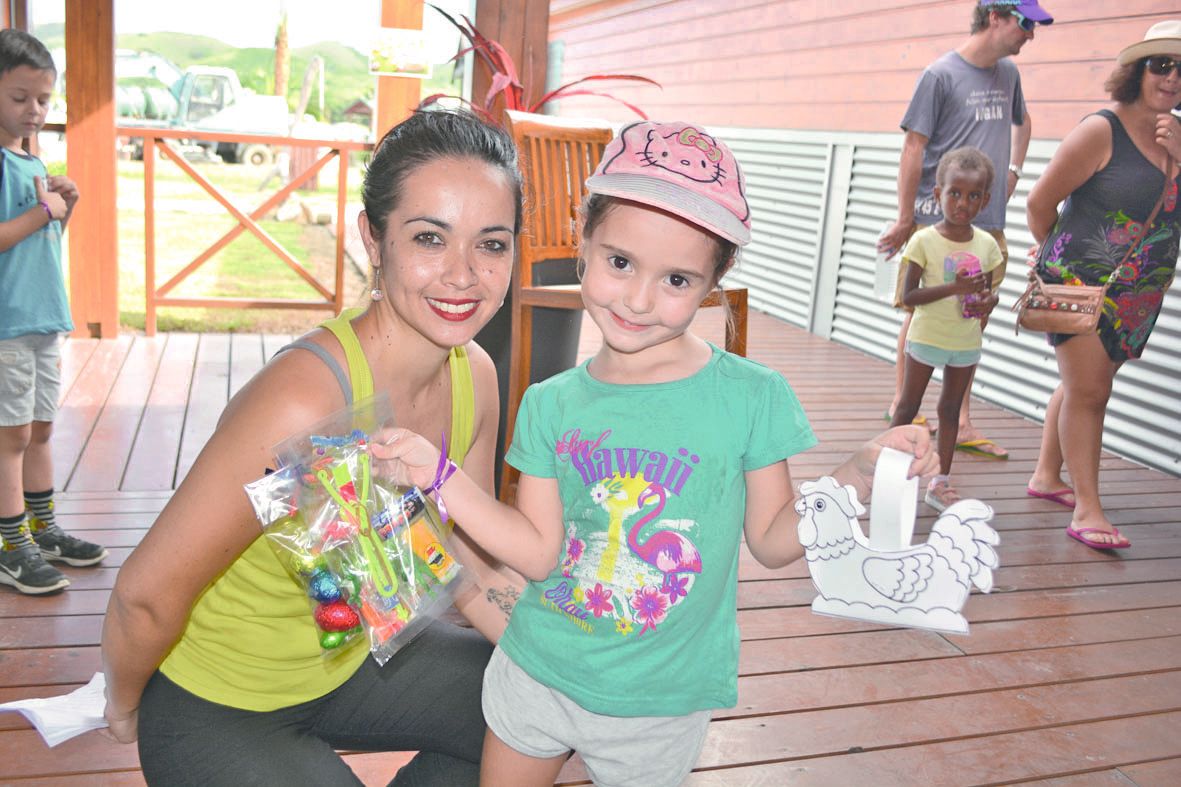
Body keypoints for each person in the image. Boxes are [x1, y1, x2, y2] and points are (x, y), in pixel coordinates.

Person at [380, 120, 939, 787]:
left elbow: (771, 538)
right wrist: (437, 476)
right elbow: (535, 552)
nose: (639, 299)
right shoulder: (551, 402)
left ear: (711, 281)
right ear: (583, 246)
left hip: (662, 701)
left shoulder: (749, 396)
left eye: (675, 279)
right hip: (538, 669)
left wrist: (854, 476)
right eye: (619, 262)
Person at [101, 109, 527, 785]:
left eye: (492, 244)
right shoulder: (306, 397)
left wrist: (579, 667)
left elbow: (464, 559)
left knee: (542, 710)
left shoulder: (475, 374)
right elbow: (145, 595)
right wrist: (124, 707)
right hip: (219, 703)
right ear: (373, 238)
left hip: (358, 658)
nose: (463, 274)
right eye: (428, 237)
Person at [1025, 20, 1181, 550]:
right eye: (1161, 64)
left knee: (1081, 385)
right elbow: (1040, 204)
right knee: (1091, 392)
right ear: (1137, 70)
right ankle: (1088, 509)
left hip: (1137, 296)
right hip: (1080, 285)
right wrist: (1059, 264)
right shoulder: (1102, 130)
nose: (1172, 76)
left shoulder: (1177, 135)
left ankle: (1048, 475)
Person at [877, 0, 1054, 460]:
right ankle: (906, 407)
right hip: (938, 218)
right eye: (1025, 23)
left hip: (987, 221)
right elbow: (913, 146)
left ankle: (960, 419)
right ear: (994, 17)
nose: (1030, 34)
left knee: (974, 313)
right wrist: (904, 218)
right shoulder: (941, 75)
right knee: (920, 313)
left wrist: (1013, 170)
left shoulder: (1009, 75)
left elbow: (1024, 121)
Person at [0, 29, 107, 596]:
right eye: (19, 98)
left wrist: (65, 208)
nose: (34, 110)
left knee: (40, 431)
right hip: (8, 325)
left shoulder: (28, 161)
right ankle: (10, 543)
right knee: (9, 438)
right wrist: (44, 211)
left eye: (43, 99)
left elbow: (41, 240)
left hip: (41, 319)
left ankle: (41, 530)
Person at [888, 146, 1003, 511]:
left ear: (984, 201)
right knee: (907, 406)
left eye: (973, 196)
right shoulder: (923, 240)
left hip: (965, 342)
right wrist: (954, 288)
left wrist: (988, 303)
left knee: (950, 411)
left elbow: (987, 295)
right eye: (954, 193)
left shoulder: (986, 245)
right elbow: (910, 295)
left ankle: (940, 482)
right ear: (938, 195)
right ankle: (887, 471)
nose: (962, 203)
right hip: (925, 338)